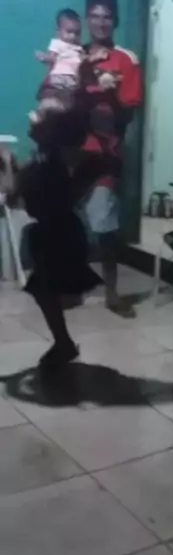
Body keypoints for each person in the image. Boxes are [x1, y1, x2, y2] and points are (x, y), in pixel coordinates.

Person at [0, 103, 102, 373]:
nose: (33, 118)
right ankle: (63, 342)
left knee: (48, 289)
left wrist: (8, 164)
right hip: (55, 232)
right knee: (45, 289)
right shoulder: (49, 157)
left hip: (58, 234)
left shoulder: (55, 160)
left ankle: (64, 342)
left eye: (40, 116)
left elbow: (13, 195)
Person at [80, 0, 142, 317]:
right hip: (71, 153)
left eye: (107, 16)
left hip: (105, 154)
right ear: (87, 19)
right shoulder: (75, 55)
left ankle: (112, 293)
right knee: (63, 222)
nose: (101, 22)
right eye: (95, 15)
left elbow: (128, 112)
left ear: (115, 20)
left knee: (104, 225)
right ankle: (66, 286)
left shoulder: (126, 60)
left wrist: (110, 92)